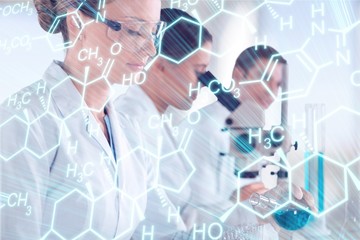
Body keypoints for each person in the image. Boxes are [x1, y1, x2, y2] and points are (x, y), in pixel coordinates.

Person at [0, 0, 165, 239]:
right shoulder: (22, 121)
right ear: (77, 23)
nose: (150, 48)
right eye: (133, 30)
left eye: (153, 32)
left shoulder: (130, 134)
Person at [173, 45, 316, 238]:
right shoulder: (203, 129)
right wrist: (246, 205)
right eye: (265, 78)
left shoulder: (257, 134)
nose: (271, 92)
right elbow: (187, 221)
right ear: (239, 74)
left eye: (278, 85)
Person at [115, 8, 213, 239]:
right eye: (199, 73)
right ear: (159, 65)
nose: (204, 84)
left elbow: (188, 214)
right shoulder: (129, 125)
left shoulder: (158, 122)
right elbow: (162, 232)